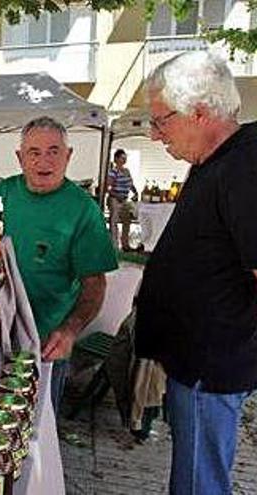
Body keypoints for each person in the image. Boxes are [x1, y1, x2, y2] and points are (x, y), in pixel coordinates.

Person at [135, 51, 257, 495]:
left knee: (198, 482)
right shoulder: (217, 162)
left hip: (213, 363)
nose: (155, 134)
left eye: (161, 121)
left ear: (199, 113)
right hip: (196, 361)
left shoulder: (245, 166)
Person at [0, 116, 118, 414]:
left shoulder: (83, 209)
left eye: (53, 151)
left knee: (38, 428)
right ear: (20, 158)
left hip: (47, 341)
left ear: (68, 155)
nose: (44, 161)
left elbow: (94, 282)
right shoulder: (0, 196)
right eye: (34, 152)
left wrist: (70, 330)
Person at [106, 149, 139, 250]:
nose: (124, 160)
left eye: (125, 158)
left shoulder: (126, 171)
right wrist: (116, 195)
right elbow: (108, 188)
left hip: (125, 199)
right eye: (122, 158)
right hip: (115, 199)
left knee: (127, 220)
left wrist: (135, 192)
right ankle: (114, 246)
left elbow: (130, 184)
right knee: (114, 222)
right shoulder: (113, 172)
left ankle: (125, 244)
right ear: (116, 159)